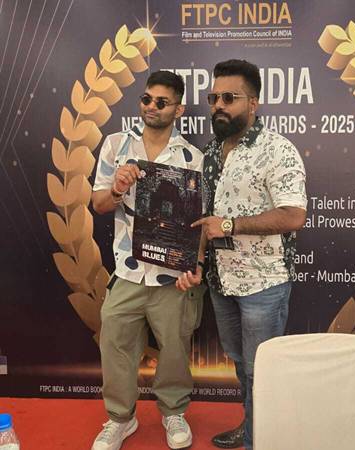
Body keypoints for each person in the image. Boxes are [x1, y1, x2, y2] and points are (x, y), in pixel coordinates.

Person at [176, 59, 307, 450]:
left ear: (253, 103)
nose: (218, 105)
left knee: (260, 372)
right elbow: (206, 217)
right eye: (213, 97)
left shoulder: (278, 150)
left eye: (229, 98)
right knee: (240, 364)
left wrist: (231, 225)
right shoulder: (211, 152)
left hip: (263, 285)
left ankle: (259, 442)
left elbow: (293, 215)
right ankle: (253, 429)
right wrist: (199, 262)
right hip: (221, 282)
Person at [91, 70, 204, 450]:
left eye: (161, 102)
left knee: (174, 348)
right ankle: (120, 418)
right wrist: (118, 188)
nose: (151, 107)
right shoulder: (116, 145)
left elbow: (199, 222)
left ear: (178, 109)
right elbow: (99, 204)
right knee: (115, 344)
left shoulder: (192, 158)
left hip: (172, 275)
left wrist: (195, 265)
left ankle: (174, 412)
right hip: (128, 269)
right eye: (146, 99)